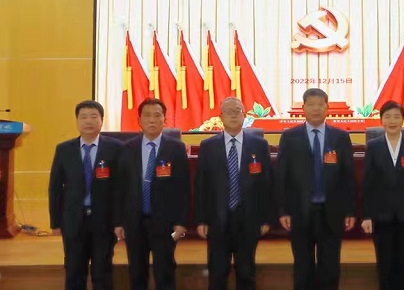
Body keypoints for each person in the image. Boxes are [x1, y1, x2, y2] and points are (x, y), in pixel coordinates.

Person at [276, 88, 356, 290]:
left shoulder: (340, 137)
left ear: (327, 108)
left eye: (320, 104)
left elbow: (348, 177)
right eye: (311, 104)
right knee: (303, 267)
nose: (316, 109)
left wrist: (349, 211)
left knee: (330, 267)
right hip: (299, 212)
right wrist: (283, 210)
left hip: (332, 212)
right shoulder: (289, 137)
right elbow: (282, 177)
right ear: (303, 108)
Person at [194, 97, 274, 290]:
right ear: (220, 117)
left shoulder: (259, 145)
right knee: (217, 273)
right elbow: (201, 186)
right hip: (217, 219)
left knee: (246, 272)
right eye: (228, 111)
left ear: (244, 116)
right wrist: (201, 220)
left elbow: (267, 185)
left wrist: (266, 219)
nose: (232, 115)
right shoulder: (208, 146)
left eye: (237, 111)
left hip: (249, 219)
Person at [114, 98, 190, 290]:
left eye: (157, 115)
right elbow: (119, 188)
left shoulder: (176, 148)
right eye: (147, 115)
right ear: (139, 120)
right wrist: (118, 222)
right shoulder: (126, 148)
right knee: (137, 272)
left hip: (165, 221)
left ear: (165, 119)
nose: (152, 120)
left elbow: (183, 188)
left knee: (165, 271)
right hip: (134, 221)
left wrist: (181, 222)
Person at [48, 100, 123, 290]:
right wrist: (56, 222)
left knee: (102, 271)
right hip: (73, 220)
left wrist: (119, 221)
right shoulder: (64, 149)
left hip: (104, 221)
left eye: (93, 116)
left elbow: (120, 189)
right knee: (74, 271)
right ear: (77, 121)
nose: (88, 121)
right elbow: (55, 188)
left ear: (101, 120)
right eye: (83, 117)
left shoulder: (116, 148)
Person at [361, 100, 404, 290]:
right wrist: (366, 215)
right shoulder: (373, 146)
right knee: (385, 267)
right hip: (381, 217)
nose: (392, 121)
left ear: (403, 120)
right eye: (387, 117)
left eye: (396, 117)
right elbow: (368, 184)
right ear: (381, 120)